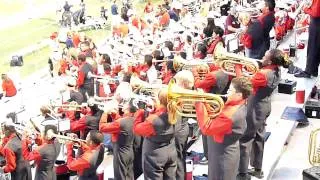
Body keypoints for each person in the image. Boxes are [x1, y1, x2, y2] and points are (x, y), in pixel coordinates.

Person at [238, 49, 290, 179]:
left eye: (265, 55)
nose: (262, 56)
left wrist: (238, 67)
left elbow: (243, 84)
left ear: (270, 60)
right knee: (259, 136)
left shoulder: (263, 74)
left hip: (255, 107)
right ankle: (257, 168)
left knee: (245, 138)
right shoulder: (276, 70)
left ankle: (242, 173)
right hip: (265, 106)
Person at [195, 77, 253, 180]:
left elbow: (206, 128)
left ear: (239, 95)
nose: (227, 92)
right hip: (222, 152)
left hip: (222, 157)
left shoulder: (230, 115)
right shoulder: (239, 102)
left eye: (230, 90)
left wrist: (199, 102)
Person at [133, 88, 177, 180]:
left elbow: (137, 129)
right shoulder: (175, 113)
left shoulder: (152, 120)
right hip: (171, 151)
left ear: (159, 100)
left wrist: (140, 112)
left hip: (154, 156)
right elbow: (162, 113)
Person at [99, 101, 137, 180]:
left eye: (125, 105)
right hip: (129, 151)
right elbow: (121, 122)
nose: (122, 106)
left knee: (120, 177)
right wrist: (114, 114)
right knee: (129, 176)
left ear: (127, 108)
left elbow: (102, 128)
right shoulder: (134, 119)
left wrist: (105, 112)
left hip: (120, 153)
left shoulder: (122, 122)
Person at [173, 70, 195, 180]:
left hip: (179, 130)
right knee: (180, 157)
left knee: (178, 158)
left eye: (176, 81)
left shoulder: (183, 95)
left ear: (182, 83)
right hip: (183, 129)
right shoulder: (186, 93)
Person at [294, 0, 320, 78]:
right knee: (316, 48)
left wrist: (306, 9)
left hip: (317, 24)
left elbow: (315, 13)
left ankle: (308, 71)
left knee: (313, 48)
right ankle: (313, 71)